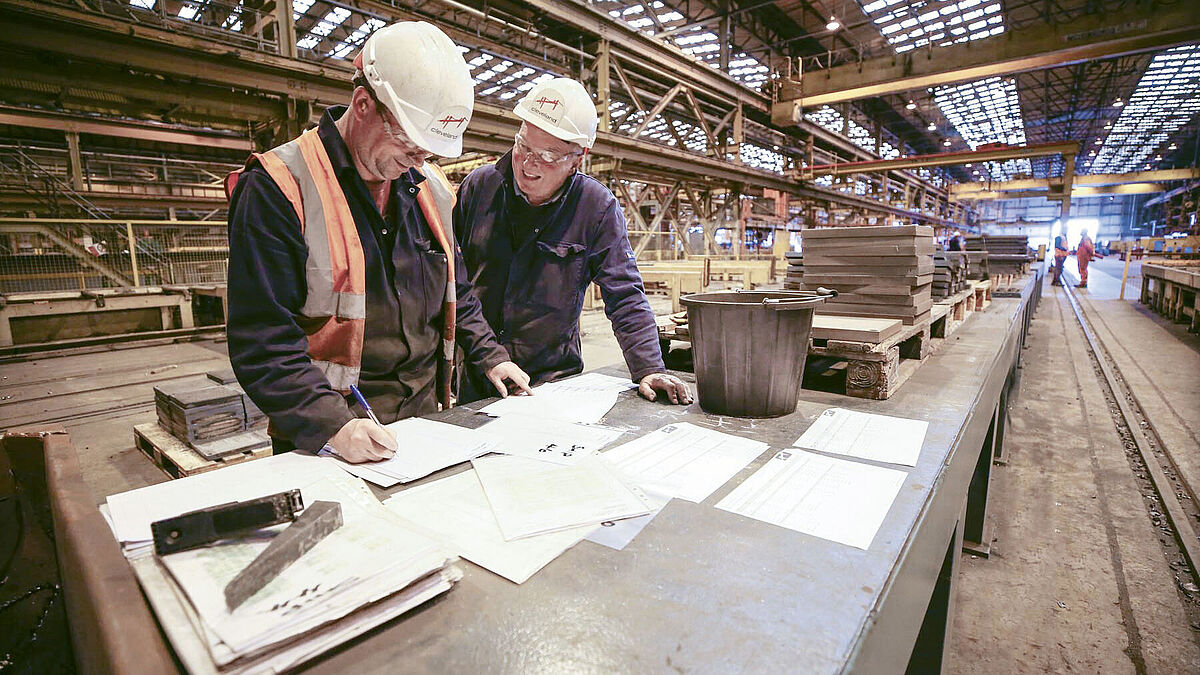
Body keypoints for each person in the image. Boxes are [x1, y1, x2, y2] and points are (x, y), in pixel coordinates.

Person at [225, 22, 529, 463]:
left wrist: (490, 355)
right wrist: (332, 424)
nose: (418, 161)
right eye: (409, 142)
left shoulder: (431, 189)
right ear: (363, 104)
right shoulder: (279, 187)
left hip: (425, 424)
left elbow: (456, 291)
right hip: (330, 436)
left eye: (429, 151)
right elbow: (262, 338)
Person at [452, 77, 691, 406]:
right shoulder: (480, 188)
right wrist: (487, 353)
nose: (529, 163)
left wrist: (649, 367)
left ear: (578, 159)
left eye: (549, 156)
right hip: (479, 376)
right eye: (523, 146)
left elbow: (625, 295)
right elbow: (453, 281)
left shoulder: (595, 208)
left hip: (553, 383)